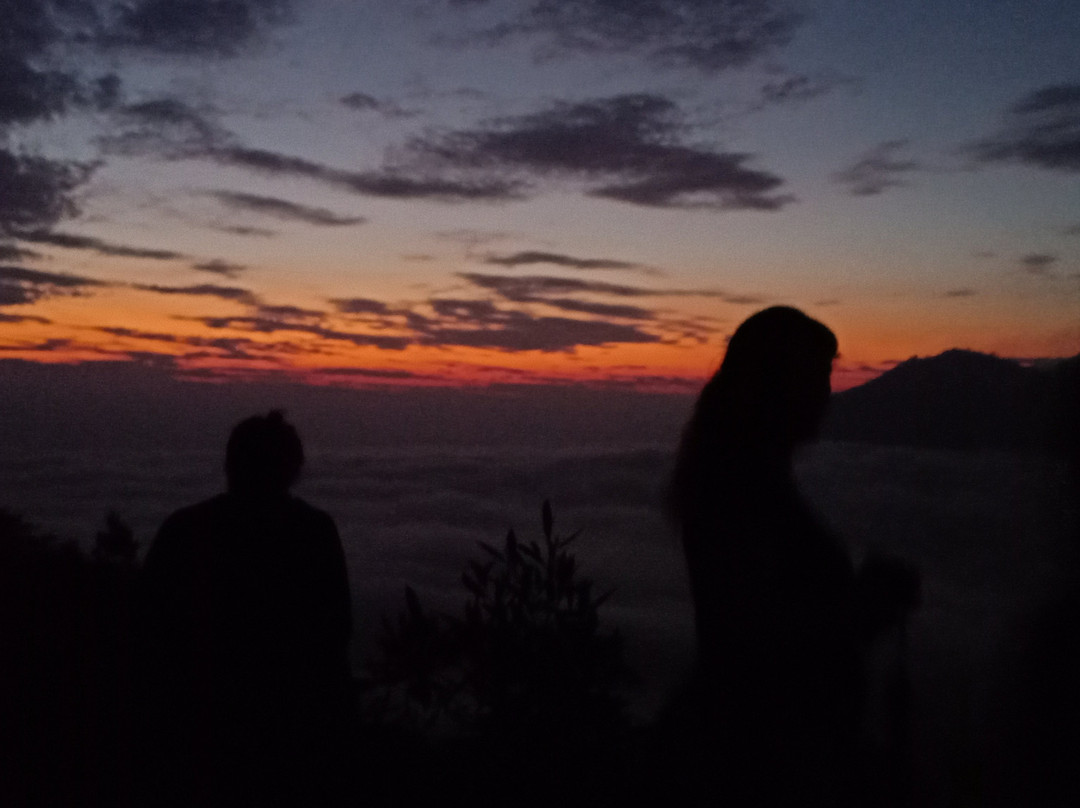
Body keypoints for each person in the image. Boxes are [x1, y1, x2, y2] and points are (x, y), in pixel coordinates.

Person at [665, 306, 919, 806]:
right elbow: (764, 652)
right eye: (818, 376)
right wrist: (862, 606)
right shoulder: (744, 496)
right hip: (765, 772)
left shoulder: (735, 483)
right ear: (778, 386)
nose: (828, 395)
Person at [138, 411, 353, 807]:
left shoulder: (185, 529)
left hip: (196, 728)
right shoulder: (314, 531)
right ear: (294, 468)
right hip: (288, 730)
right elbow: (335, 632)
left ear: (230, 465)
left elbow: (149, 628)